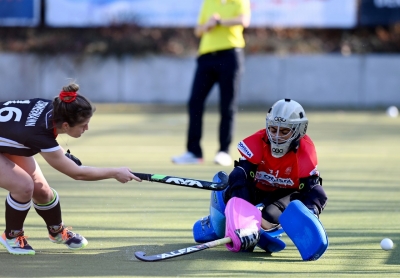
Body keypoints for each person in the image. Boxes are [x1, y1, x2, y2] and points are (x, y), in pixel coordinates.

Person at [0, 83, 141, 255]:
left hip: (8, 139)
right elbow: (77, 173)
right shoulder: (40, 133)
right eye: (83, 125)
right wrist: (115, 172)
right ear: (65, 125)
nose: (86, 129)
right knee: (23, 186)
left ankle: (57, 232)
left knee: (43, 191)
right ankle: (12, 236)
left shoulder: (55, 111)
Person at [193, 99, 328, 253]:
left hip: (283, 194)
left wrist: (309, 214)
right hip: (256, 190)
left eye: (284, 131)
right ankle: (222, 218)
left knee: (269, 217)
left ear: (299, 130)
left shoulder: (305, 153)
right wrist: (240, 218)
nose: (276, 136)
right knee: (231, 199)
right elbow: (240, 175)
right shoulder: (257, 141)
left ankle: (262, 228)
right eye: (272, 129)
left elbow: (315, 192)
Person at [172, 0, 251, 167]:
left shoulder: (239, 1)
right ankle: (194, 152)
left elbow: (244, 21)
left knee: (227, 105)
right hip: (206, 57)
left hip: (230, 56)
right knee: (195, 102)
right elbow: (198, 30)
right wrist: (208, 24)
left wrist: (219, 21)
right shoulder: (209, 2)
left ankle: (223, 151)